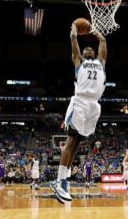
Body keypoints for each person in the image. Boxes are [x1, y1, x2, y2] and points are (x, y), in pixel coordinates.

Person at [50, 22, 107, 203]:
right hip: (81, 102)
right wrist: (74, 31)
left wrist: (94, 32)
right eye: (86, 49)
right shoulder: (78, 62)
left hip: (94, 106)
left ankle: (64, 180)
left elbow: (103, 41)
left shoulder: (101, 63)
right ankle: (59, 181)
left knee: (77, 144)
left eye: (91, 48)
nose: (89, 49)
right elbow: (74, 43)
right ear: (82, 54)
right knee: (71, 140)